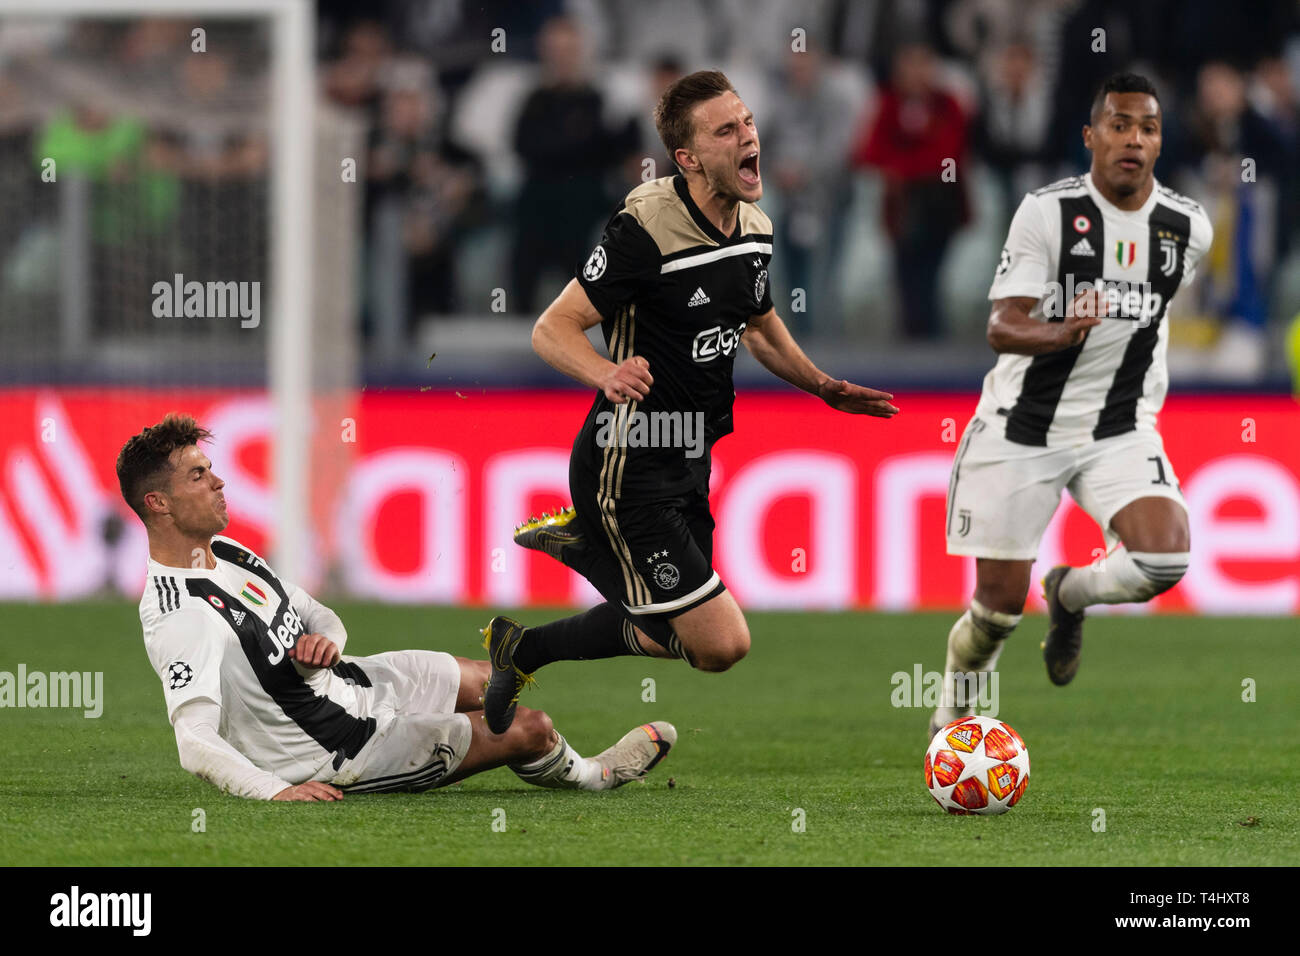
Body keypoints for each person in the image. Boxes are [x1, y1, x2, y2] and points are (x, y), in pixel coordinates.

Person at [481, 70, 898, 735]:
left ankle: (524, 648)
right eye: (726, 130)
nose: (747, 137)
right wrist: (605, 373)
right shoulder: (644, 230)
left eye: (749, 122)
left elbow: (759, 325)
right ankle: (586, 545)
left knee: (670, 634)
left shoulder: (755, 229)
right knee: (723, 643)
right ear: (689, 157)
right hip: (629, 463)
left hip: (691, 459)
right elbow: (551, 328)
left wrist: (822, 386)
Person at [117, 414, 673, 801]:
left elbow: (316, 614)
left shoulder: (227, 551)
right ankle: (597, 774)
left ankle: (547, 756)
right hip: (339, 747)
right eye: (198, 475)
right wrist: (275, 789)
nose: (219, 481)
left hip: (356, 684)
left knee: (498, 680)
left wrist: (327, 644)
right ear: (158, 503)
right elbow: (194, 742)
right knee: (529, 727)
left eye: (210, 469)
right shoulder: (179, 613)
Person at [931, 74, 1213, 735]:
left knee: (1164, 558)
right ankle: (953, 714)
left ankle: (1068, 593)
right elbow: (1002, 325)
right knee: (996, 612)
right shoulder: (1047, 213)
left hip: (1119, 427)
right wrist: (1062, 331)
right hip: (1023, 426)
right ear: (1091, 136)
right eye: (1119, 125)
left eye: (1147, 127)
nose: (1133, 140)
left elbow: (1158, 318)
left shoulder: (1187, 229)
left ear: (1160, 142)